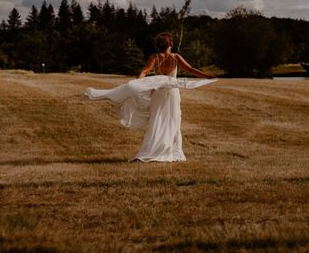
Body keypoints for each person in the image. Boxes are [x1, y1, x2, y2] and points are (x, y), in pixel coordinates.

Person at [84, 31, 217, 162]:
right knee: (173, 121)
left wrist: (138, 82)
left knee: (157, 120)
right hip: (172, 94)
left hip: (158, 94)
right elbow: (191, 70)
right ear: (170, 44)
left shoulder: (155, 57)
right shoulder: (175, 57)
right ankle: (172, 150)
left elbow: (145, 71)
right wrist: (208, 76)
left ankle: (155, 149)